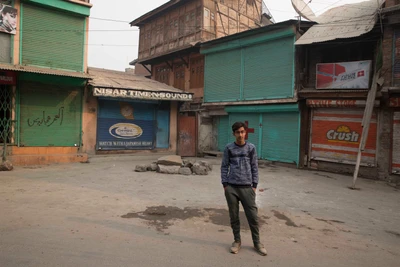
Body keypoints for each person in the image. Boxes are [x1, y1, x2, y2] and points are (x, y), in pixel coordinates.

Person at [221, 121, 267, 256]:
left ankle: (257, 242)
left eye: (242, 132)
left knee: (253, 217)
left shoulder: (251, 148)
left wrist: (254, 186)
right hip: (232, 188)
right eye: (238, 132)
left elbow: (254, 167)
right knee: (234, 216)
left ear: (245, 132)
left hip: (247, 188)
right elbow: (224, 166)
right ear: (234, 134)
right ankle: (237, 241)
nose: (240, 134)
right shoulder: (229, 148)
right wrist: (225, 185)